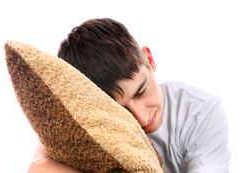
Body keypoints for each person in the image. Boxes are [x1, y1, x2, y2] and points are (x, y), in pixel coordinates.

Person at [27, 18, 231, 173]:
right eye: (119, 110)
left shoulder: (200, 112)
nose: (141, 119)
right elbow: (38, 167)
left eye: (141, 91)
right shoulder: (88, 125)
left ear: (149, 59)